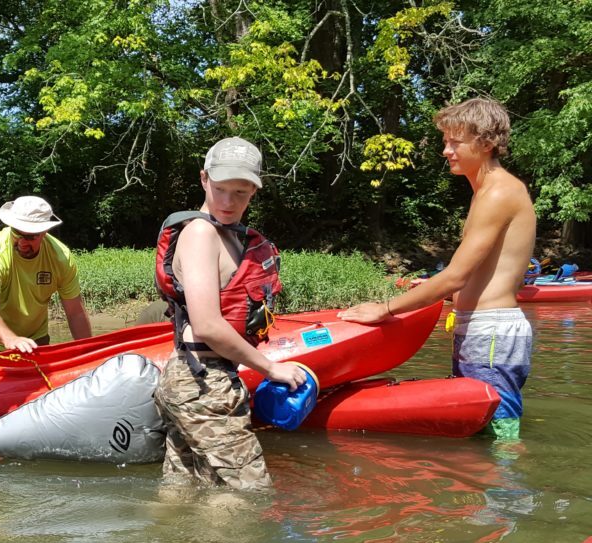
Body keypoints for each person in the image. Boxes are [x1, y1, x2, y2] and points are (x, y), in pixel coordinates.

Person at [339, 98, 535, 440]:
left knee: (500, 435)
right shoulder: (485, 192)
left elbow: (455, 276)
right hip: (479, 330)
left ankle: (509, 494)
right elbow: (471, 276)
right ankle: (484, 492)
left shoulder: (499, 192)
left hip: (491, 335)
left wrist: (385, 309)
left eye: (455, 142)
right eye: (446, 141)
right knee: (480, 429)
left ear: (486, 143)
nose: (446, 150)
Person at [153, 137, 307, 490]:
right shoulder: (201, 233)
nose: (228, 201)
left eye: (241, 192)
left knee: (185, 487)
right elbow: (207, 324)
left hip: (194, 380)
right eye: (220, 188)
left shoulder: (233, 237)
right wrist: (270, 368)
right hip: (203, 381)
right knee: (248, 494)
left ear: (254, 190)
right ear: (204, 179)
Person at [0, 195, 92, 366]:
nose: (22, 242)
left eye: (30, 237)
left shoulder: (61, 258)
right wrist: (10, 339)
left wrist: (88, 354)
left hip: (34, 345)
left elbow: (76, 313)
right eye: (16, 233)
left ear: (44, 233)